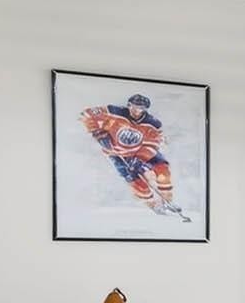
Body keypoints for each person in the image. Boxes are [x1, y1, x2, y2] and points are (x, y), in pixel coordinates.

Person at [81, 93, 190, 222]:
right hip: (116, 154)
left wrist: (139, 158)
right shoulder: (113, 111)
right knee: (135, 180)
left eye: (141, 108)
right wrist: (98, 132)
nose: (137, 111)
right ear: (129, 105)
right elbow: (86, 114)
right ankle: (152, 204)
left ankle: (167, 200)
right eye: (134, 107)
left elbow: (153, 143)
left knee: (162, 168)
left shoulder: (153, 123)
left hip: (141, 152)